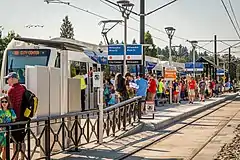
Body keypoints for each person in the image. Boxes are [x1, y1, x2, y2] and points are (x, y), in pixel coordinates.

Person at [4, 72, 26, 160]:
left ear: (13, 78)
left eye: (8, 79)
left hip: (14, 119)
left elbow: (10, 106)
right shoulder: (23, 88)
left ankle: (15, 158)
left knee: (14, 140)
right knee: (22, 139)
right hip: (23, 118)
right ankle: (23, 157)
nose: (7, 81)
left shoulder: (11, 90)